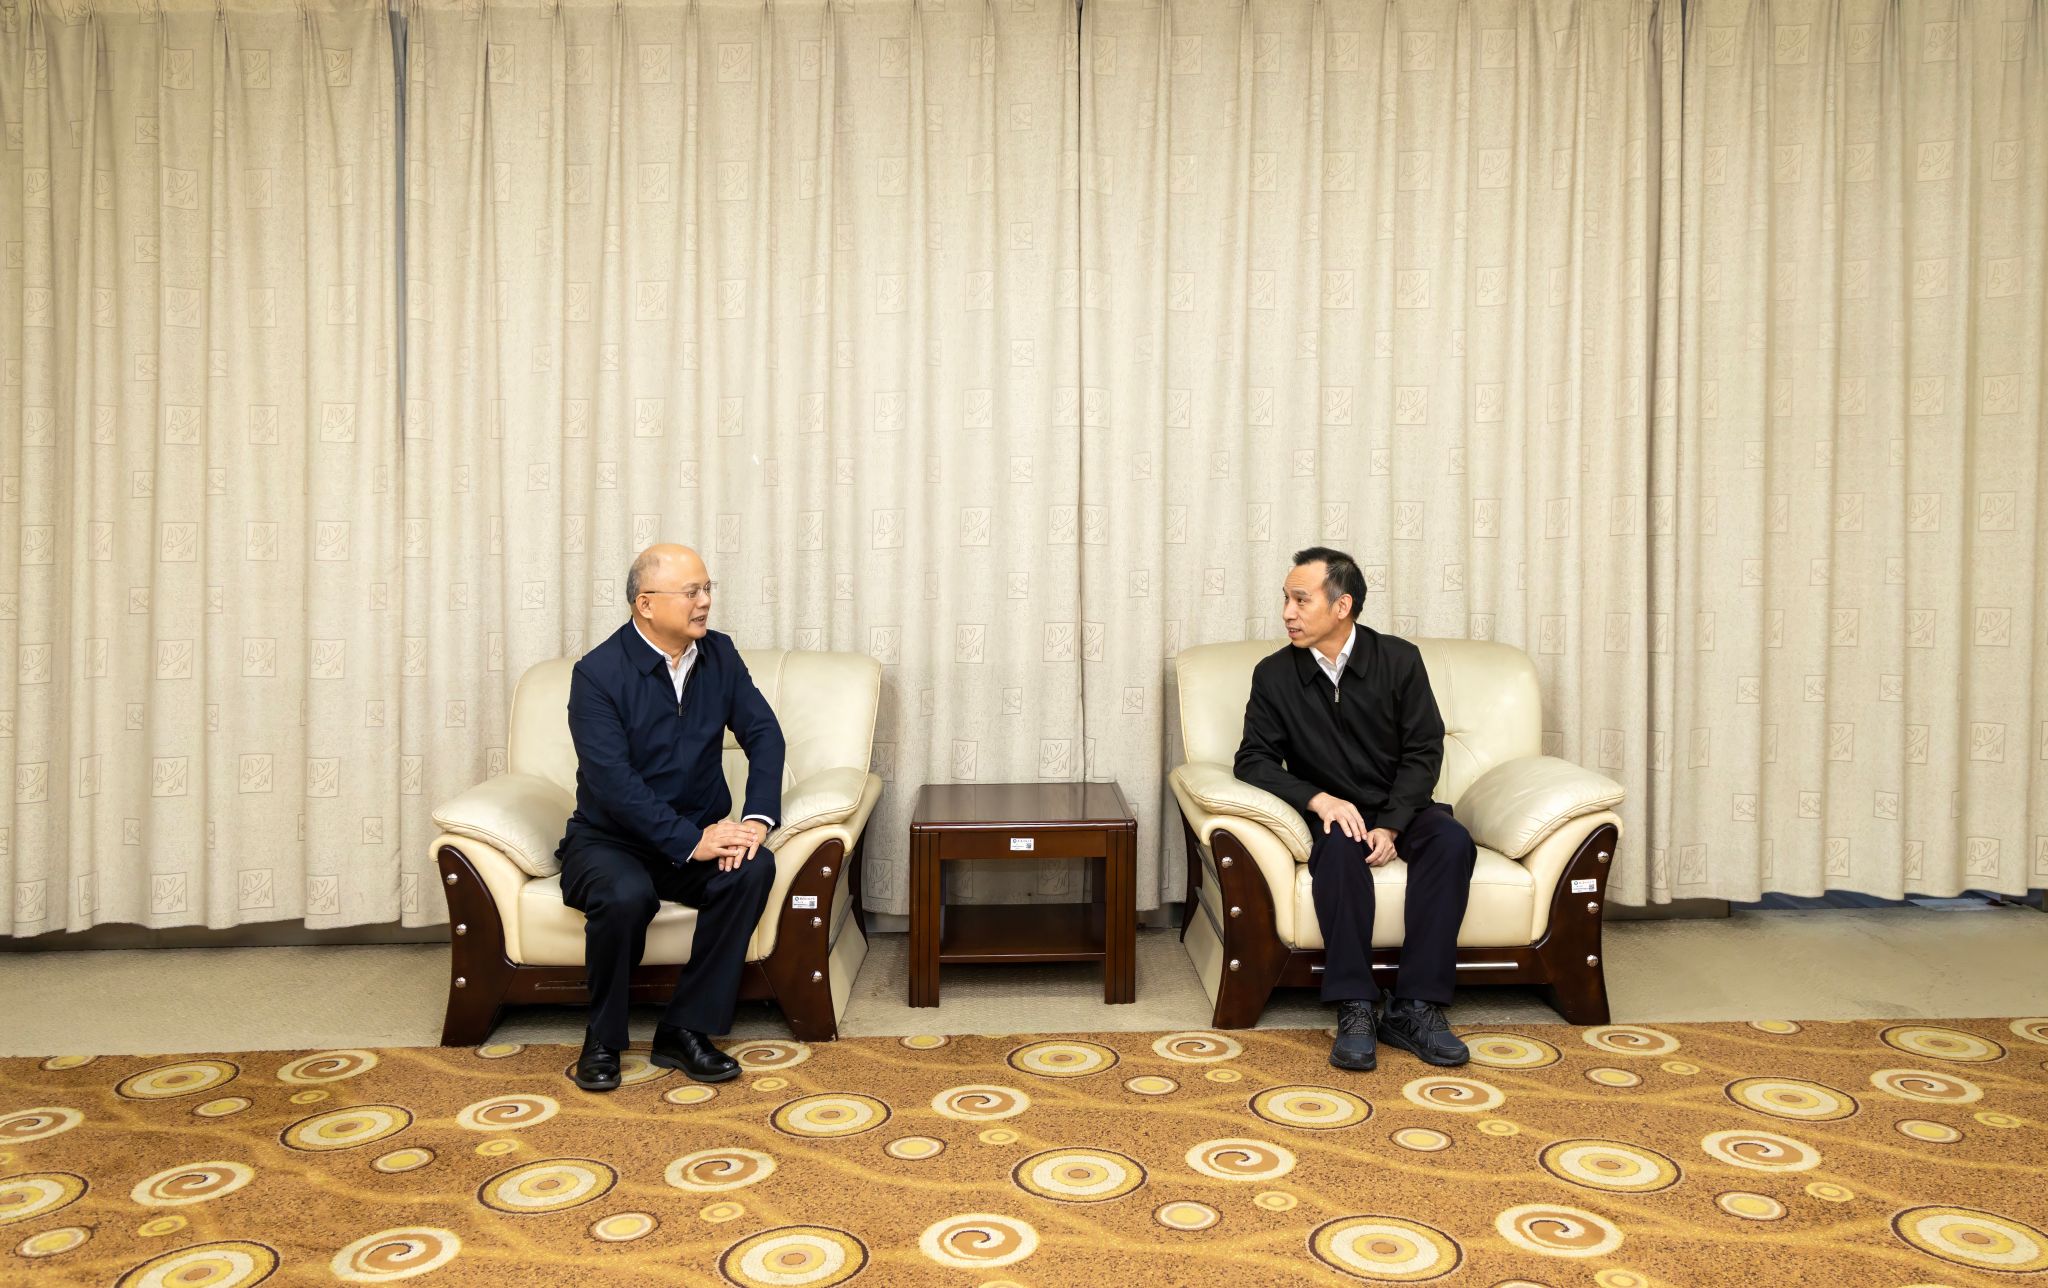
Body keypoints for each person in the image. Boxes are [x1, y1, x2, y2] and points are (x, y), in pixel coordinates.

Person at [1234, 546, 1476, 1072]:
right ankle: (1356, 1004)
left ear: (1341, 606)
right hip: (1333, 814)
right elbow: (1252, 760)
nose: (1288, 613)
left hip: (1403, 806)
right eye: (1286, 599)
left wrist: (1392, 824)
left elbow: (1423, 751)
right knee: (1340, 854)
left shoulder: (1399, 660)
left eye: (1301, 600)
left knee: (1452, 841)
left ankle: (1415, 1007)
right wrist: (1316, 799)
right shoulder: (1274, 675)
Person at [556, 543, 784, 1091]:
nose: (705, 602)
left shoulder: (719, 655)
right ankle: (602, 1039)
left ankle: (684, 1030)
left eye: (707, 589)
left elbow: (764, 734)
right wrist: (689, 841)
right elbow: (613, 784)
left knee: (752, 868)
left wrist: (755, 821)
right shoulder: (598, 674)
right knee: (625, 894)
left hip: (696, 836)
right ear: (645, 604)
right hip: (611, 841)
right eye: (691, 592)